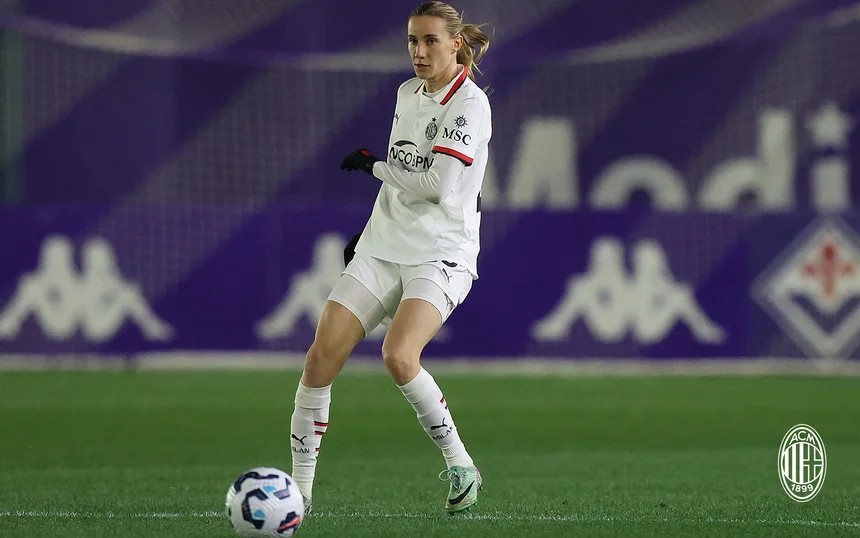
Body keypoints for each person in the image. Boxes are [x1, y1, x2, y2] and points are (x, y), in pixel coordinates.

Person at [288, 0, 492, 516]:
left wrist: (372, 166)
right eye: (412, 41)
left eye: (430, 41)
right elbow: (406, 180)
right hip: (384, 245)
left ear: (456, 44)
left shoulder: (469, 105)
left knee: (399, 356)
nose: (419, 52)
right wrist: (371, 228)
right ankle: (299, 494)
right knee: (320, 358)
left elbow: (435, 185)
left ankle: (461, 464)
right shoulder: (407, 93)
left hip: (441, 252)